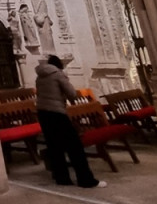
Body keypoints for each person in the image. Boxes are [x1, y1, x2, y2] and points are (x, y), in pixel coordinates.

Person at [35, 55, 106, 188]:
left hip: (43, 112)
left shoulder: (39, 76)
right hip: (57, 112)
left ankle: (62, 178)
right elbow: (72, 93)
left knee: (54, 145)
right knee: (74, 146)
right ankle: (85, 179)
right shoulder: (58, 74)